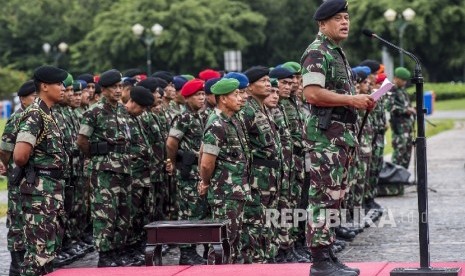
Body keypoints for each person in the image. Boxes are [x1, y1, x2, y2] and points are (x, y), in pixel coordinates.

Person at [301, 0, 375, 275]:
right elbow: (312, 93)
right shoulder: (317, 52)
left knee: (335, 196)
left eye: (347, 17)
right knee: (323, 197)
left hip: (340, 135)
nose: (345, 22)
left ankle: (328, 254)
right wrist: (351, 99)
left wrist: (360, 101)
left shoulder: (336, 52)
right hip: (325, 137)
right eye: (338, 18)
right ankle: (320, 261)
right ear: (323, 24)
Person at [13, 65, 69, 275]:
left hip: (50, 192)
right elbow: (19, 155)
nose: (63, 88)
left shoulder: (47, 114)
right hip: (39, 193)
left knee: (47, 253)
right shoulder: (35, 115)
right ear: (45, 86)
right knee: (37, 256)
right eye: (58, 84)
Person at [76, 69, 132, 267]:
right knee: (104, 212)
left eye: (120, 87)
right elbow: (82, 140)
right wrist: (96, 156)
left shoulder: (123, 109)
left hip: (124, 167)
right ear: (104, 89)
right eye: (114, 88)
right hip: (104, 169)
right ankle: (105, 254)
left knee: (123, 212)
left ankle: (117, 249)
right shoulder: (94, 112)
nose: (118, 91)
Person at [198, 78, 250, 264]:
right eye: (235, 94)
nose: (240, 98)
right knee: (222, 242)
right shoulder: (217, 124)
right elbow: (206, 162)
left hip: (236, 190)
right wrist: (205, 182)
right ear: (223, 99)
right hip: (225, 193)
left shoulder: (230, 121)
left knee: (233, 241)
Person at [240, 66, 281, 263]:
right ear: (249, 87)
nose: (268, 84)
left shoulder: (264, 108)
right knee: (255, 224)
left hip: (271, 176)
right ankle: (255, 263)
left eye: (268, 80)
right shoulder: (247, 111)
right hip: (257, 178)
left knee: (269, 222)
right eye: (263, 81)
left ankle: (268, 258)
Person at [165, 79, 208, 265]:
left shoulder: (204, 116)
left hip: (201, 171)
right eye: (198, 95)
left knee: (201, 211)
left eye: (203, 94)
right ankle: (186, 251)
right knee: (188, 212)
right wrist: (173, 163)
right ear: (188, 98)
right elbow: (171, 143)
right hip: (188, 172)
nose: (202, 98)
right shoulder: (183, 118)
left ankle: (200, 248)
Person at [0, 80, 37, 276]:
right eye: (33, 97)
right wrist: (7, 166)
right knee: (17, 221)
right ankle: (16, 265)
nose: (37, 100)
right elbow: (5, 149)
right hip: (18, 176)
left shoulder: (39, 116)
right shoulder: (18, 118)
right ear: (23, 99)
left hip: (32, 178)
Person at [387, 67, 415, 169]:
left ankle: (403, 178)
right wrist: (406, 110)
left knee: (407, 154)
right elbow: (389, 107)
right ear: (396, 78)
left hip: (407, 128)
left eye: (405, 80)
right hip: (399, 128)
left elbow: (407, 104)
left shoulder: (403, 91)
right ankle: (395, 180)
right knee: (399, 153)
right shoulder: (391, 89)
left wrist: (412, 109)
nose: (404, 82)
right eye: (403, 80)